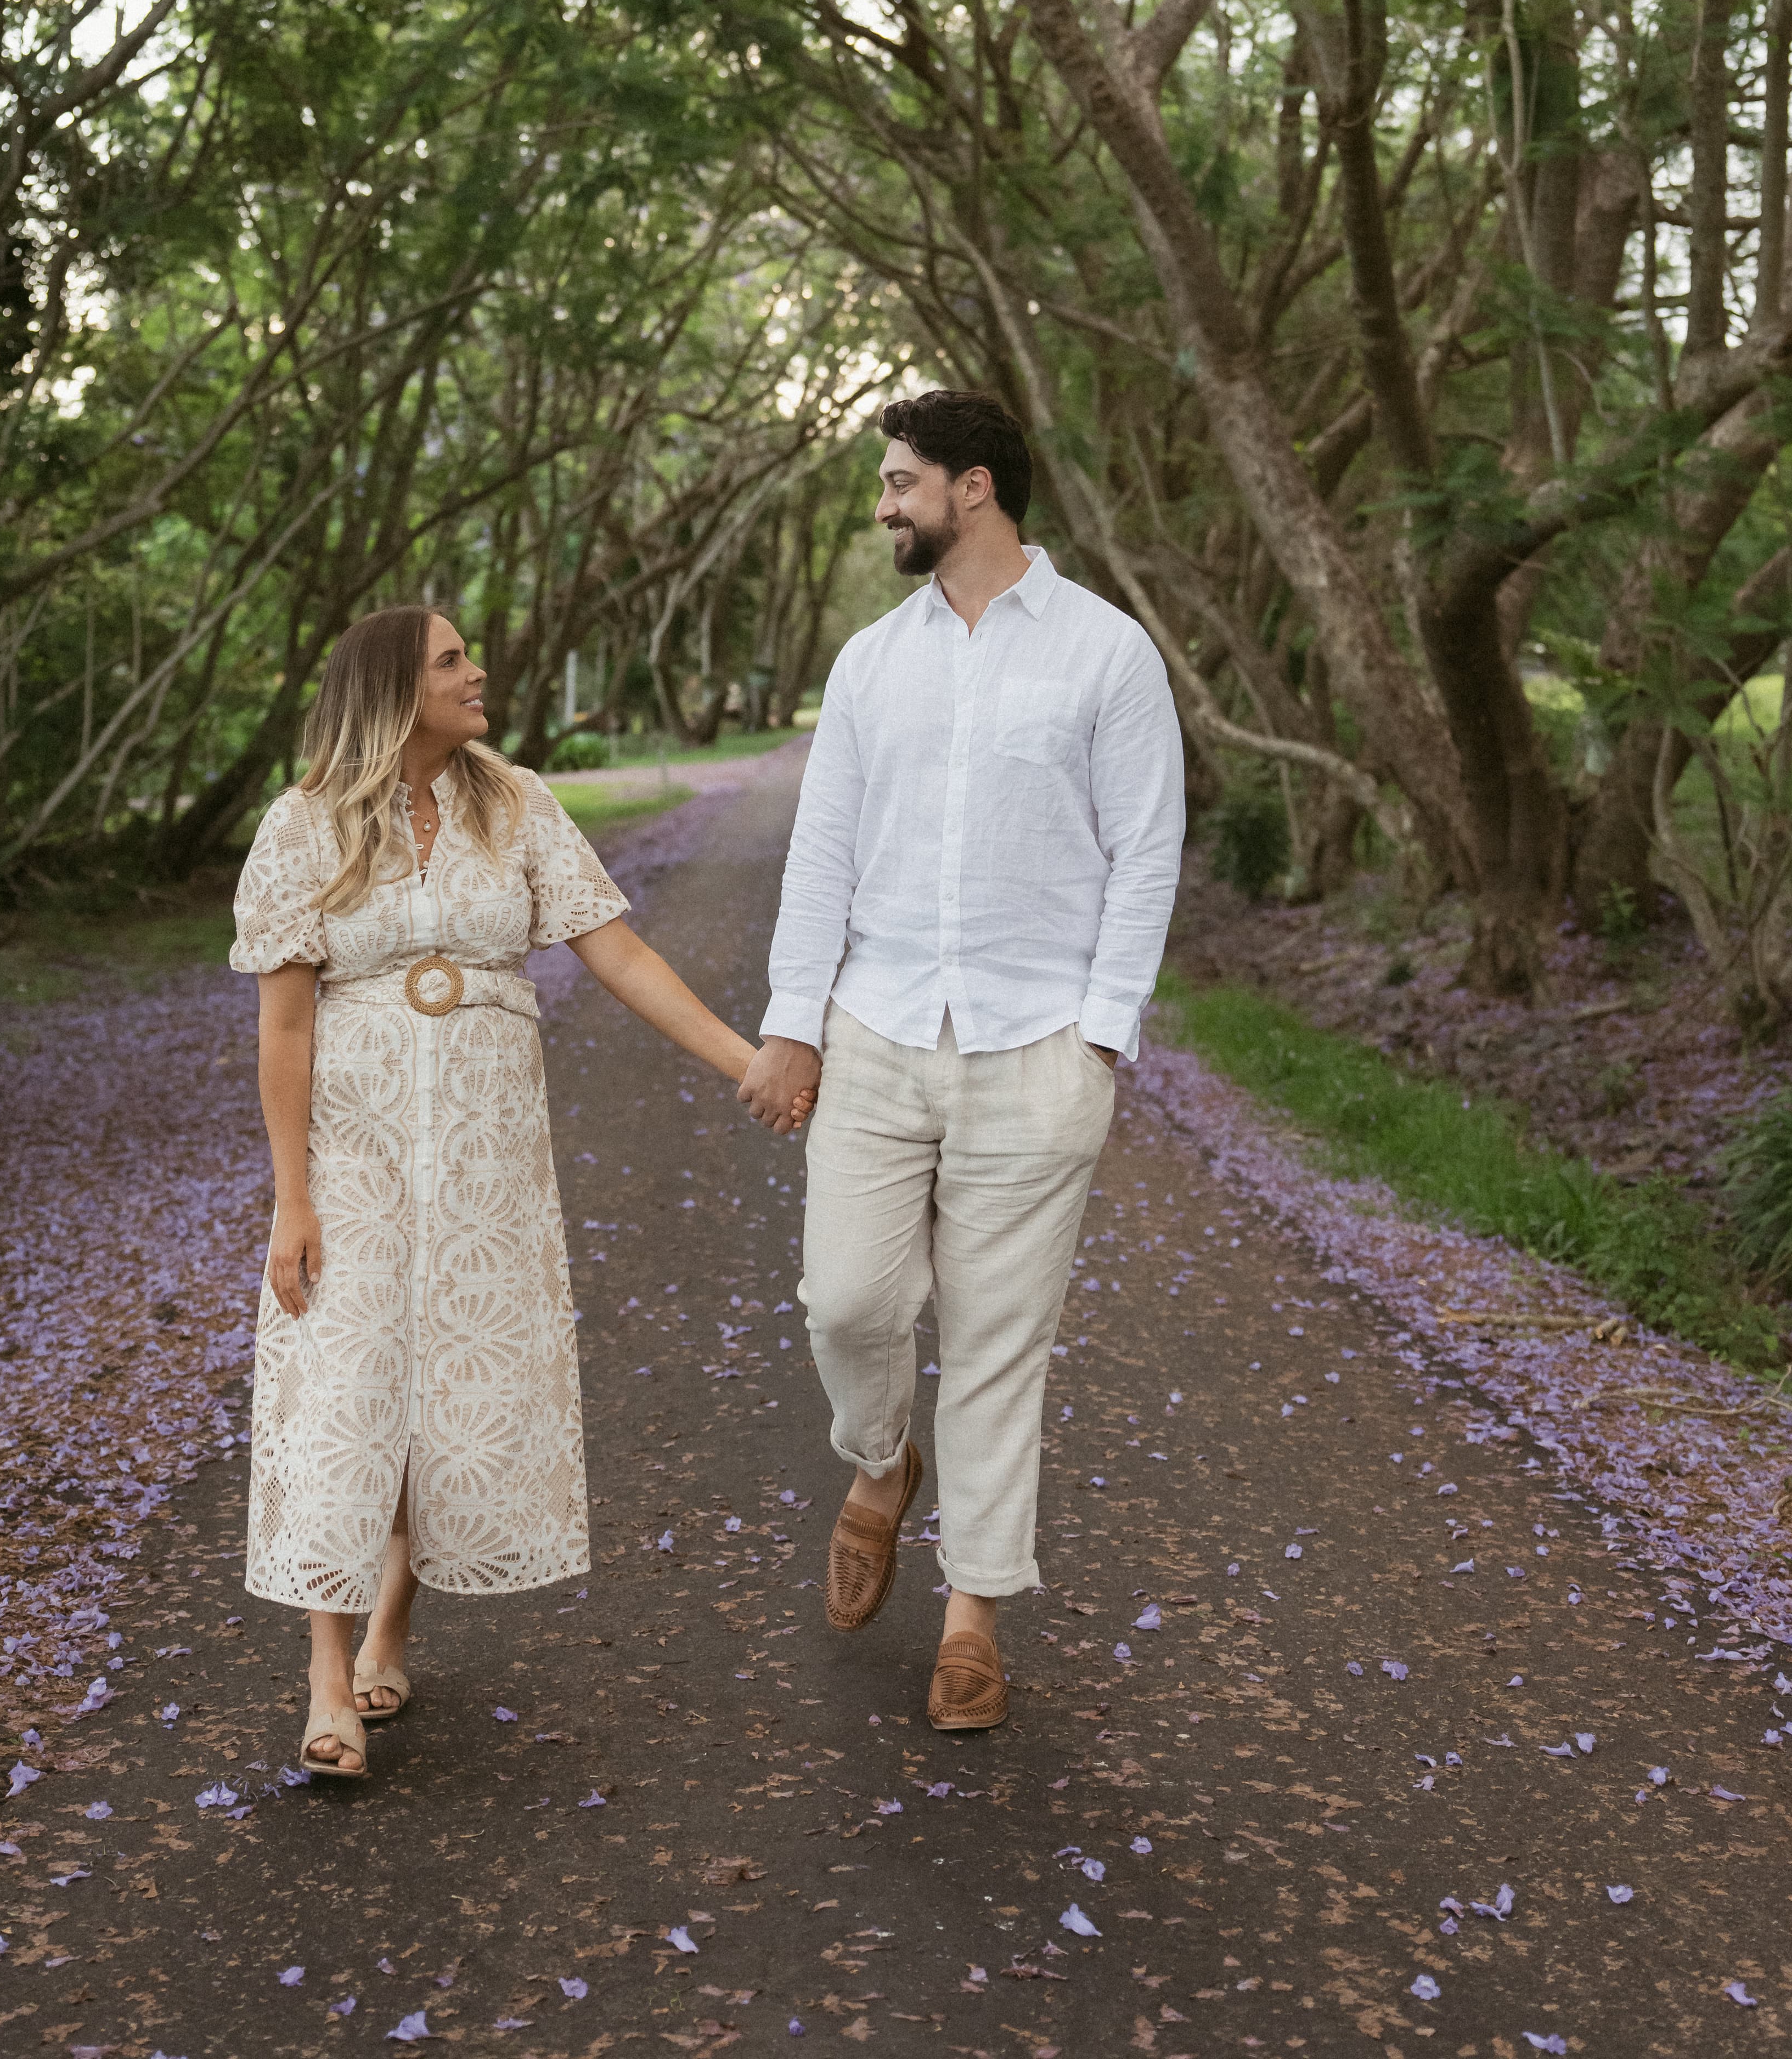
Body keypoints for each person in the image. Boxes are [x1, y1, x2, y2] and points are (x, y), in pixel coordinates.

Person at [233, 601, 805, 1780]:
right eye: (451, 661)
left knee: (447, 1384)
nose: (477, 671)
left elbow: (621, 953)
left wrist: (746, 1061)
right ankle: (328, 1676)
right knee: (347, 1381)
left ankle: (393, 1626)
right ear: (396, 690)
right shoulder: (302, 825)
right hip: (356, 1148)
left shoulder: (517, 803)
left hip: (489, 1148)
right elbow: (284, 1026)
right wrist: (293, 1198)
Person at [733, 391, 1186, 1731]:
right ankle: (881, 1464)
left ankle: (974, 1616)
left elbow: (1147, 848)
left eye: (900, 482)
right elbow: (822, 852)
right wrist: (793, 1020)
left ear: (972, 488)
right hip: (877, 1031)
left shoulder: (1108, 653)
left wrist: (1101, 1034)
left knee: (998, 1343)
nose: (885, 504)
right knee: (847, 1304)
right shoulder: (871, 663)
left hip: (1038, 1043)